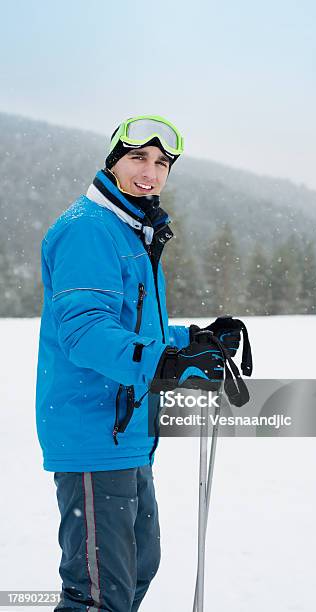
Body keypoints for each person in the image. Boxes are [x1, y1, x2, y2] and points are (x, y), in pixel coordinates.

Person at [35, 115, 242, 611]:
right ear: (113, 161)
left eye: (161, 163)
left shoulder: (133, 231)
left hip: (127, 431)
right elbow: (85, 333)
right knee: (99, 593)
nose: (150, 172)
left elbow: (134, 330)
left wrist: (193, 339)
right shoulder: (89, 229)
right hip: (92, 431)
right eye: (137, 158)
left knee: (138, 566)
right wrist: (168, 360)